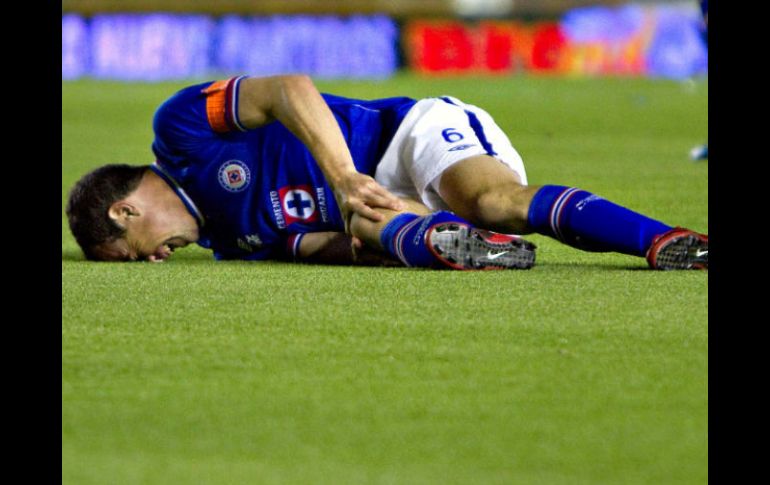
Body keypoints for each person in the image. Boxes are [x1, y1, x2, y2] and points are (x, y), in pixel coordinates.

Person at [66, 74, 708, 270]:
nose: (152, 262)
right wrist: (394, 241)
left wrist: (345, 176)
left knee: (493, 202)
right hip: (393, 215)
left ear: (124, 212)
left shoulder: (178, 129)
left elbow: (288, 89)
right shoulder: (231, 244)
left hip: (404, 136)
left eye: (129, 254)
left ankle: (666, 242)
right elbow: (326, 245)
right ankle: (465, 246)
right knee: (364, 228)